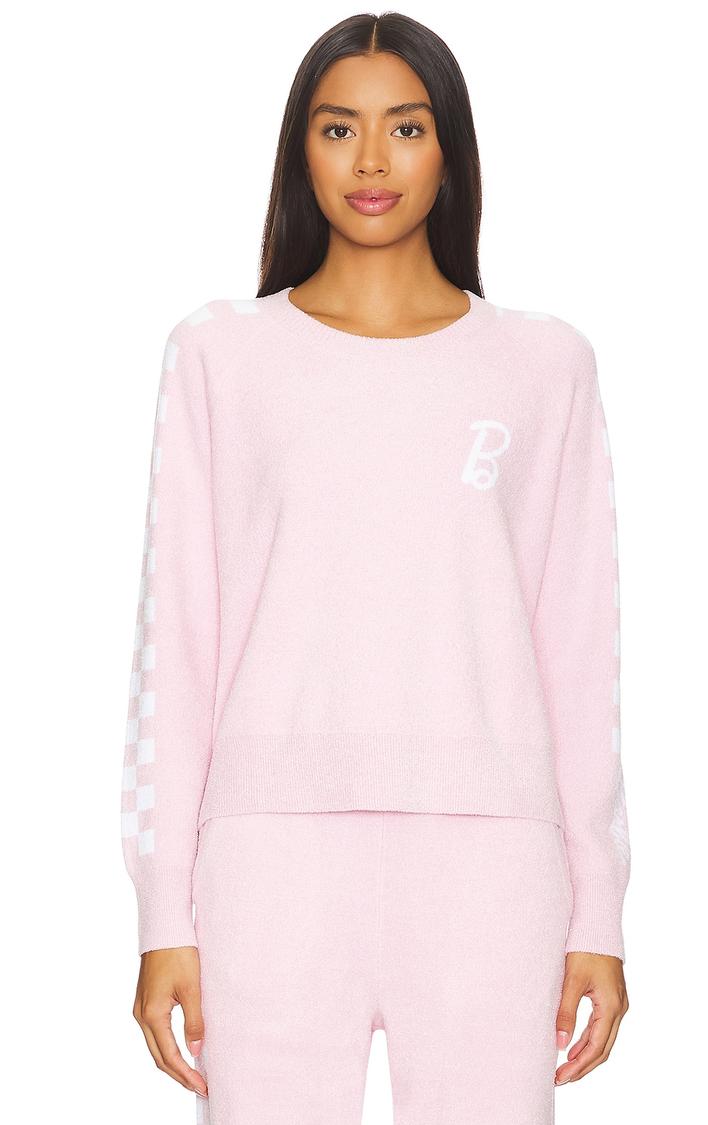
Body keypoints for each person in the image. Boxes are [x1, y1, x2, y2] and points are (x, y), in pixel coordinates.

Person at [120, 11, 631, 1124]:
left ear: (450, 150)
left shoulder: (544, 365)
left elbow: (578, 650)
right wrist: (164, 914)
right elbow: (180, 641)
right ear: (300, 151)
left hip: (493, 865)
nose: (370, 162)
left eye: (405, 127)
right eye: (337, 127)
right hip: (269, 861)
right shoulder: (219, 354)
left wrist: (598, 912)